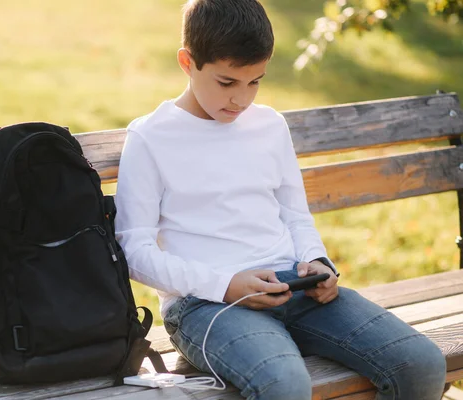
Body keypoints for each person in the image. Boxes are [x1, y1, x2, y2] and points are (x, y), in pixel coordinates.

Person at [114, 0, 447, 398]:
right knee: (284, 385)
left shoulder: (270, 125)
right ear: (187, 62)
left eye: (255, 81)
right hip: (207, 304)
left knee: (422, 363)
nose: (241, 99)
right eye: (227, 82)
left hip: (295, 286)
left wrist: (318, 262)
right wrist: (227, 285)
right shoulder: (151, 138)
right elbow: (133, 250)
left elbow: (295, 215)